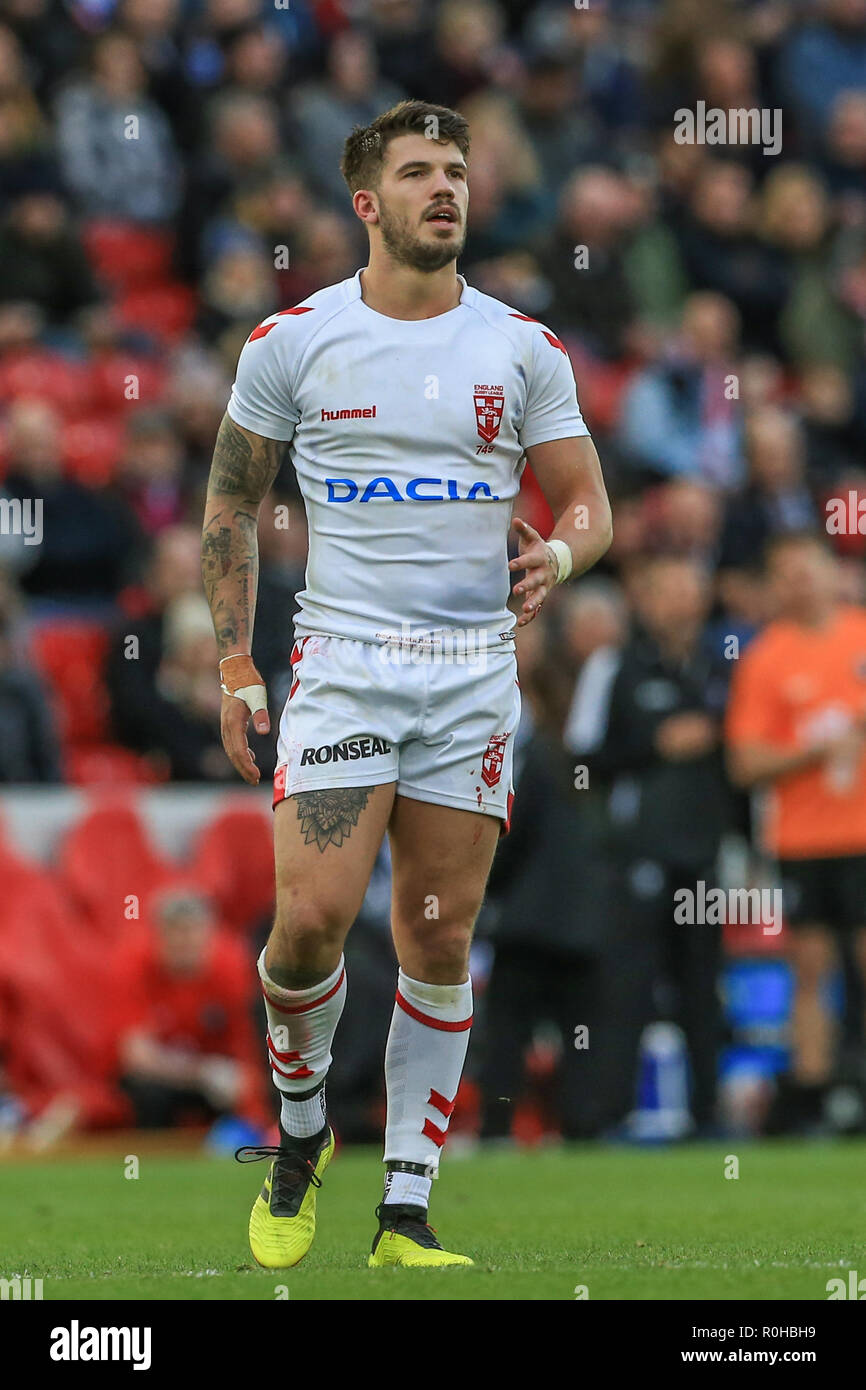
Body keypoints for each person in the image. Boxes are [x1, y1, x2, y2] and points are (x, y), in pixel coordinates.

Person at [201, 99, 612, 1270]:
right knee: (307, 928)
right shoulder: (293, 340)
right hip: (340, 669)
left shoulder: (523, 348)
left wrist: (561, 553)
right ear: (365, 204)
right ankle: (298, 1136)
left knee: (438, 939)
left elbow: (588, 501)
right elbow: (232, 499)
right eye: (420, 172)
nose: (447, 188)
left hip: (470, 678)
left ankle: (405, 1214)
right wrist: (235, 664)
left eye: (457, 171)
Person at [726, 531, 866, 1132]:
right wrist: (815, 752)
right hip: (804, 840)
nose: (800, 581)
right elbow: (745, 763)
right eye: (786, 573)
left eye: (807, 567)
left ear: (830, 570)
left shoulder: (861, 634)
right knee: (810, 968)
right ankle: (812, 1092)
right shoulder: (764, 658)